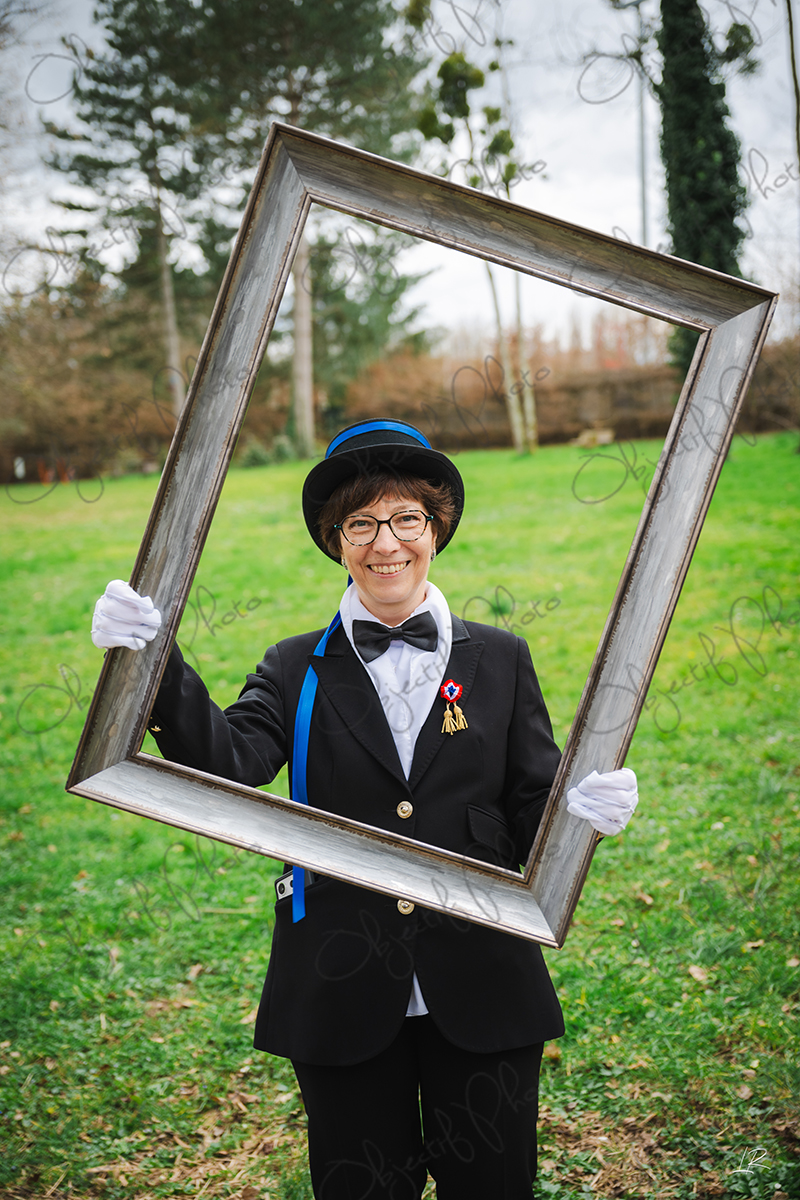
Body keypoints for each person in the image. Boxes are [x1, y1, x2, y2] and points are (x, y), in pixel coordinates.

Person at [92, 419, 638, 1199]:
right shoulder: (294, 665)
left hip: (483, 982)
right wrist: (152, 663)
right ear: (335, 540)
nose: (387, 544)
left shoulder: (502, 658)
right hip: (340, 988)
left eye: (407, 518)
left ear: (436, 528)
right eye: (361, 523)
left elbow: (529, 811)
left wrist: (580, 811)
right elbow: (227, 765)